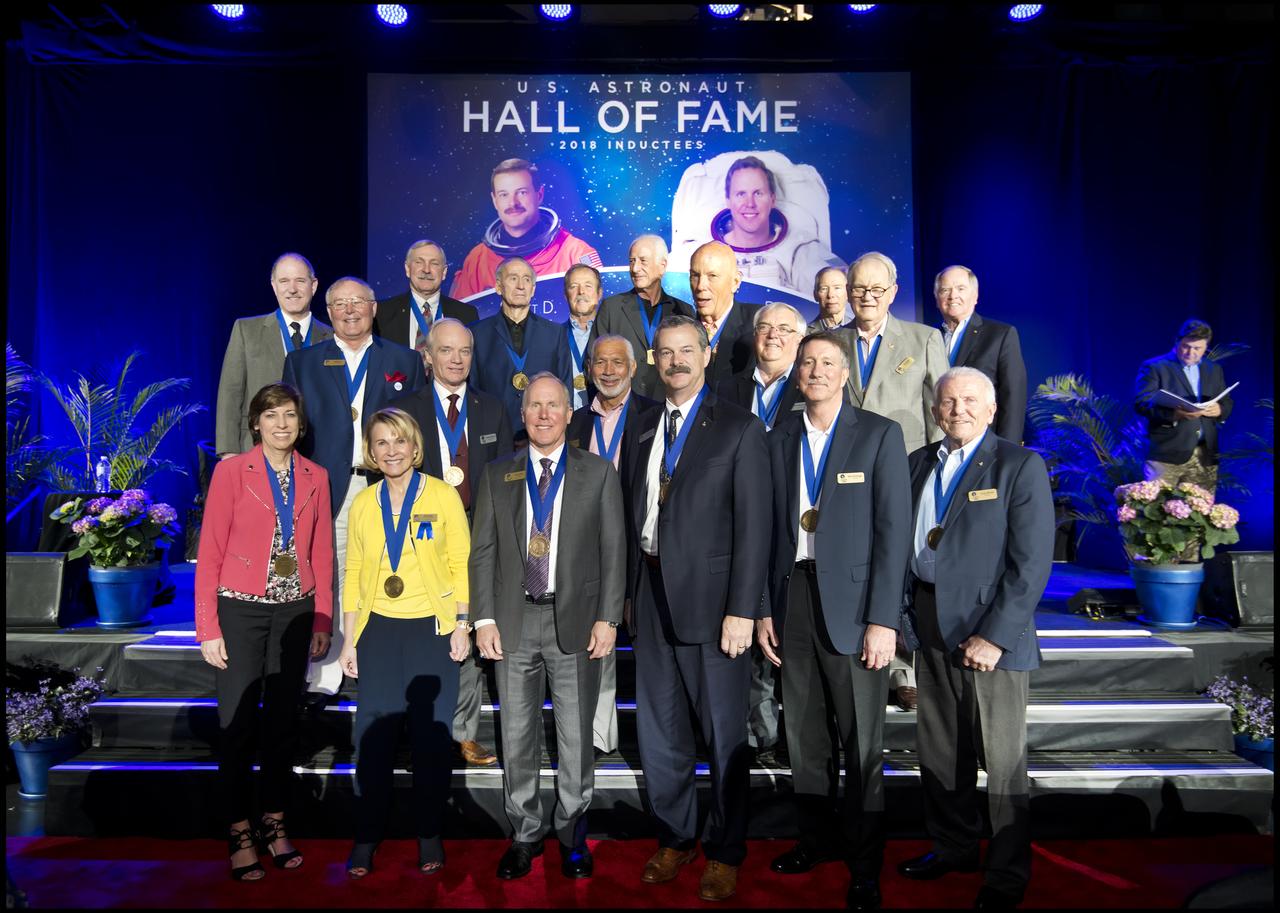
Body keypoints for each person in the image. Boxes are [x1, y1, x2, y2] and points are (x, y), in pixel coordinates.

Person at [758, 332, 912, 910]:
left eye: (827, 363)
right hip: (793, 598)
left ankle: (865, 862)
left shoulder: (878, 435)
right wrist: (765, 607)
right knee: (804, 735)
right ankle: (813, 840)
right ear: (797, 374)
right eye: (808, 363)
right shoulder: (779, 437)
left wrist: (882, 619)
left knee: (861, 742)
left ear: (845, 374)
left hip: (855, 611)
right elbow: (770, 531)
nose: (816, 371)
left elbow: (894, 535)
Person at [897, 367, 1054, 910]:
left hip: (991, 634)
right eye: (948, 401)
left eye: (969, 401)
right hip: (930, 622)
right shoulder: (918, 463)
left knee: (1002, 760)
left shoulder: (1018, 464)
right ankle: (953, 847)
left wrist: (995, 635)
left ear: (990, 410)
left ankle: (1007, 874)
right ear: (935, 410)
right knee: (941, 752)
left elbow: (1031, 565)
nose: (957, 409)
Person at [627, 315, 771, 903]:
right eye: (666, 352)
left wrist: (743, 609)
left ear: (707, 355)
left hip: (716, 610)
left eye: (687, 351)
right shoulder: (641, 426)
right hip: (650, 595)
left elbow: (757, 529)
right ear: (653, 359)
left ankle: (726, 849)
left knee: (721, 733)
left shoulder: (740, 427)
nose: (676, 362)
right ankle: (676, 836)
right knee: (660, 732)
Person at [471, 374, 626, 880]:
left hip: (576, 621)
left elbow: (613, 551)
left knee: (576, 735)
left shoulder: (598, 473)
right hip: (514, 619)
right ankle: (524, 832)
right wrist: (485, 617)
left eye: (553, 405)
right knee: (515, 733)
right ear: (523, 413)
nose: (543, 414)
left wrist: (608, 616)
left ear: (568, 411)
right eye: (534, 406)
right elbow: (484, 552)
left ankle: (572, 831)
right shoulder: (498, 473)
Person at [195, 383, 334, 881]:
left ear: (300, 423)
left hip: (294, 612)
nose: (281, 424)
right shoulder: (232, 472)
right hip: (239, 611)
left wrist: (323, 617)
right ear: (256, 423)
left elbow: (322, 553)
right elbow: (209, 551)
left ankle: (274, 823)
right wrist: (207, 627)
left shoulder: (316, 476)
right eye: (271, 415)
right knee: (237, 726)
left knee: (281, 726)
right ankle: (238, 830)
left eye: (290, 415)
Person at [337, 407, 472, 878]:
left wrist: (462, 622)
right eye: (381, 443)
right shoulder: (363, 504)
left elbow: (462, 561)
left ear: (415, 448)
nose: (391, 451)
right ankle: (367, 835)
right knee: (371, 741)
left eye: (399, 442)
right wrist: (349, 638)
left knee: (431, 743)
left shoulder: (442, 495)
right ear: (371, 453)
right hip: (377, 631)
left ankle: (429, 833)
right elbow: (353, 573)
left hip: (431, 631)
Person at [282, 277, 427, 701]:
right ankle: (325, 675)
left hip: (388, 483)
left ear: (374, 308)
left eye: (358, 302)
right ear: (328, 311)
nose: (350, 310)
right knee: (329, 574)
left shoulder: (404, 360)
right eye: (340, 303)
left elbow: (412, 425)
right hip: (329, 484)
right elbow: (291, 427)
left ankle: (378, 663)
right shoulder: (303, 362)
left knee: (385, 568)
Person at [388, 317, 513, 768]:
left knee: (470, 628)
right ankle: (417, 729)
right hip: (422, 536)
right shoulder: (405, 409)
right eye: (446, 351)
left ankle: (461, 733)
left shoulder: (493, 408)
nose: (456, 359)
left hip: (479, 537)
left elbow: (506, 480)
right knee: (422, 631)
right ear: (427, 356)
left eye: (464, 351)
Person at [714, 301, 808, 763]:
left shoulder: (814, 386)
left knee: (789, 636)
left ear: (800, 339)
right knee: (748, 628)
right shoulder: (726, 389)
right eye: (765, 328)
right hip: (738, 529)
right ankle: (755, 735)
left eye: (784, 329)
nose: (773, 335)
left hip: (797, 532)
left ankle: (797, 736)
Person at [566, 334, 660, 756]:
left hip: (642, 549)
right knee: (595, 642)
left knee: (646, 645)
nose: (608, 371)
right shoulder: (574, 422)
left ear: (634, 367)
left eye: (617, 362)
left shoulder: (655, 417)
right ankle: (599, 738)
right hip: (586, 549)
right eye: (600, 363)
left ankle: (656, 740)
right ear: (588, 370)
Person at [215, 253, 333, 457]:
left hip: (315, 453)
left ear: (313, 286)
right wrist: (228, 451)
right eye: (284, 281)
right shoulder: (246, 330)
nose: (292, 289)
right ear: (274, 285)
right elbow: (230, 394)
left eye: (300, 281)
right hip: (254, 448)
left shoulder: (331, 337)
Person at [450, 158, 603, 300]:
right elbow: (459, 318)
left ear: (539, 195)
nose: (512, 203)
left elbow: (599, 312)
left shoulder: (576, 253)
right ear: (495, 200)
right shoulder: (477, 260)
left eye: (522, 192)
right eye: (504, 195)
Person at [841, 251, 947, 453]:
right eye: (859, 289)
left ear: (893, 292)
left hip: (905, 458)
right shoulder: (831, 341)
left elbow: (938, 409)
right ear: (848, 291)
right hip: (846, 459)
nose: (867, 297)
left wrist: (932, 463)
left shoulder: (924, 340)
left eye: (877, 289)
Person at [709, 155, 845, 297]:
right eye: (741, 194)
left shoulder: (799, 250)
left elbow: (837, 295)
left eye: (758, 193)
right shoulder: (705, 252)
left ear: (772, 199)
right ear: (728, 201)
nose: (750, 203)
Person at [469, 256, 575, 429]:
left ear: (532, 289)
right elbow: (473, 390)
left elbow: (564, 389)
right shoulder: (477, 334)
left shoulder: (555, 333)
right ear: (498, 286)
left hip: (543, 431)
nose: (520, 285)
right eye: (513, 278)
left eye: (526, 280)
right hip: (493, 432)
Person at [589, 234, 695, 399]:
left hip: (669, 402)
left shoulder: (683, 311)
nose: (635, 268)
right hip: (625, 406)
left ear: (662, 266)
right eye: (632, 261)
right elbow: (593, 359)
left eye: (643, 261)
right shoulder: (612, 308)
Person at [1134, 319, 1234, 493]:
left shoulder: (1213, 369)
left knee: (1200, 513)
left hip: (1205, 454)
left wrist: (1220, 410)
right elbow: (1141, 403)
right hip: (1167, 452)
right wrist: (1175, 415)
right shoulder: (1155, 367)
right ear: (1177, 342)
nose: (1191, 353)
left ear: (1206, 347)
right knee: (1156, 512)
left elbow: (1227, 402)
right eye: (1186, 346)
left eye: (1198, 348)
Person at [934, 265, 1027, 443]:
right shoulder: (929, 338)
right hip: (940, 441)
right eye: (945, 290)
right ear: (937, 298)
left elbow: (1013, 396)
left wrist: (1007, 448)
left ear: (975, 296)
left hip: (985, 442)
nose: (953, 296)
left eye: (961, 289)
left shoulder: (1000, 335)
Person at [373, 240, 479, 373]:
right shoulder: (382, 312)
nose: (426, 270)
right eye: (419, 262)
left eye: (434, 263)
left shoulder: (467, 314)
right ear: (407, 269)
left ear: (444, 272)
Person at [689, 241, 759, 387]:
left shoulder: (758, 323)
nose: (700, 286)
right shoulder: (682, 328)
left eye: (712, 276)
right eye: (695, 275)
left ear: (735, 282)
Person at [562, 264, 602, 410]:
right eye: (573, 286)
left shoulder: (611, 336)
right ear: (565, 294)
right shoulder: (552, 336)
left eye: (588, 286)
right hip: (565, 419)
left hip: (604, 417)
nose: (581, 291)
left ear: (599, 294)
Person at [807, 266, 852, 333]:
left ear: (848, 292)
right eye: (824, 289)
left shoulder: (858, 330)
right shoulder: (803, 335)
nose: (830, 295)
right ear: (815, 295)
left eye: (837, 288)